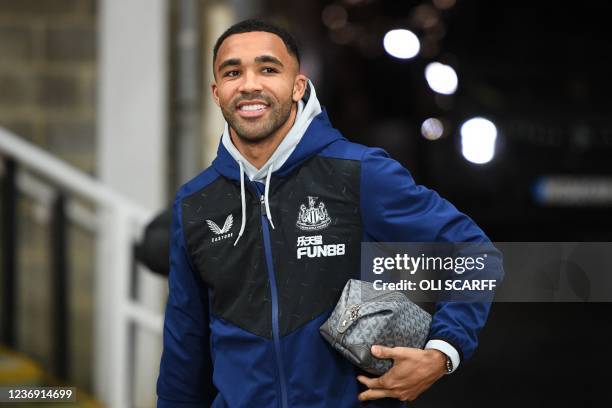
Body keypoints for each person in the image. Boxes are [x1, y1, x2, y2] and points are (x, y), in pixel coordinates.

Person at [157, 19, 502, 407]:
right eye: (233, 72)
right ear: (216, 92)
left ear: (298, 86)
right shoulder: (195, 204)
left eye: (268, 69)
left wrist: (442, 353)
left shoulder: (360, 172)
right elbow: (184, 348)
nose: (250, 84)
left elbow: (471, 254)